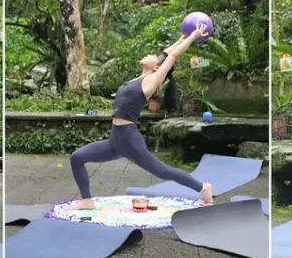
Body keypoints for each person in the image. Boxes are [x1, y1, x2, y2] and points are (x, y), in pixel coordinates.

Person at [70, 24, 214, 209]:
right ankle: (86, 200)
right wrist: (181, 37)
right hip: (115, 140)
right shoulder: (138, 78)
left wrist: (193, 36)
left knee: (163, 171)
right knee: (76, 158)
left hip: (129, 140)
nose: (150, 55)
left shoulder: (151, 81)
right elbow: (165, 53)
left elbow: (171, 56)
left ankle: (203, 187)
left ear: (156, 67)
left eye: (153, 57)